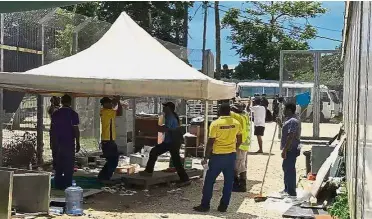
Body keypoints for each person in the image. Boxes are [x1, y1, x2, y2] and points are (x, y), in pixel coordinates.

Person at [193, 103, 242, 213]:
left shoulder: (215, 124)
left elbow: (210, 142)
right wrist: (233, 148)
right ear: (229, 111)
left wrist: (206, 157)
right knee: (229, 182)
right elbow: (240, 139)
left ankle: (205, 205)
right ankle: (223, 206)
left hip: (217, 157)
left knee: (209, 181)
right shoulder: (236, 123)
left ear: (219, 111)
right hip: (230, 156)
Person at [140, 102, 190, 186]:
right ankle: (184, 179)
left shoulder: (170, 117)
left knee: (155, 152)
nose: (163, 108)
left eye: (165, 106)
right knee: (173, 159)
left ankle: (185, 179)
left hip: (171, 142)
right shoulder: (171, 116)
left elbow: (166, 129)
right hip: (172, 142)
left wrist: (155, 128)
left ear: (169, 108)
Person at [51, 94, 80, 190]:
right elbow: (76, 130)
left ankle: (58, 186)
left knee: (58, 166)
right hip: (68, 144)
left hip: (57, 144)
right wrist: (78, 142)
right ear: (70, 102)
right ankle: (68, 186)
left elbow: (52, 130)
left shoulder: (55, 114)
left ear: (62, 102)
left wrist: (52, 144)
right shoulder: (73, 114)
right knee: (68, 166)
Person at [276, 102, 301, 197]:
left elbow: (291, 136)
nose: (283, 112)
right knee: (286, 167)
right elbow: (287, 131)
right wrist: (280, 124)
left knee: (289, 169)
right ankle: (287, 188)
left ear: (289, 110)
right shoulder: (289, 120)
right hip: (289, 148)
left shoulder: (293, 121)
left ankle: (291, 191)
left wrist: (285, 150)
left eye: (284, 110)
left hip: (291, 148)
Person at [98, 96, 123, 183]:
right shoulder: (106, 112)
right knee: (113, 160)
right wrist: (118, 102)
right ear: (104, 104)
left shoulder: (106, 111)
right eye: (108, 102)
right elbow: (120, 112)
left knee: (111, 160)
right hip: (108, 140)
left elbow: (117, 111)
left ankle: (102, 176)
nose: (110, 104)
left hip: (108, 140)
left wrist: (116, 102)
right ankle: (105, 178)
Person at [230, 103, 250, 192]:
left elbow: (229, 113)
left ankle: (241, 185)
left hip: (240, 144)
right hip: (244, 143)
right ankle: (238, 183)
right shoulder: (245, 115)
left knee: (239, 166)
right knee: (241, 164)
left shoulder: (238, 117)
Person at [48, 96, 60, 171]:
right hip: (54, 130)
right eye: (56, 99)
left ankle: (59, 164)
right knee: (54, 148)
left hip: (60, 130)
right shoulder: (51, 108)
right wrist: (52, 104)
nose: (58, 100)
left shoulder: (61, 108)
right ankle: (55, 165)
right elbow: (51, 112)